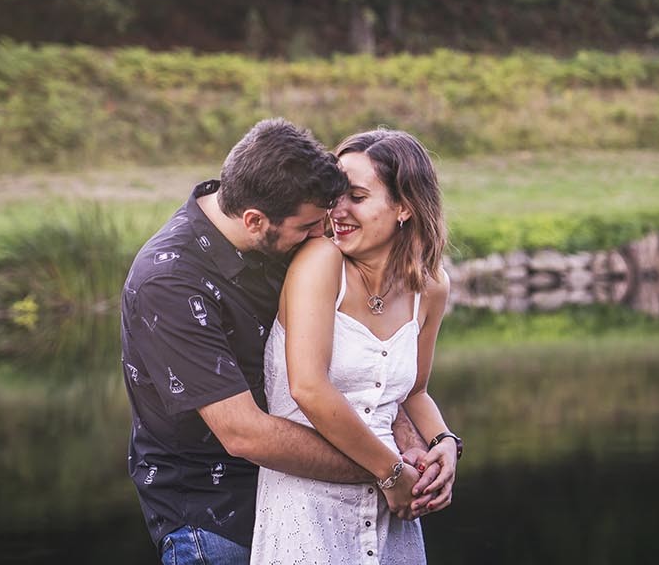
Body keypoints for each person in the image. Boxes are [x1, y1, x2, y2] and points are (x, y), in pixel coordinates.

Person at [120, 119, 448, 565]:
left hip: (329, 504)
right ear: (255, 221)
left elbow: (378, 375)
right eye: (313, 224)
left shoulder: (286, 223)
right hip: (214, 518)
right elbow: (244, 432)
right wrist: (388, 472)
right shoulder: (169, 282)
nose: (324, 233)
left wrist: (423, 443)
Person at [252, 128, 461, 565]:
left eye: (358, 197)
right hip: (308, 515)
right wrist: (392, 472)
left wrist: (443, 442)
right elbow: (307, 388)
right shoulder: (320, 261)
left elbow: (415, 392)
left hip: (394, 519)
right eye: (336, 195)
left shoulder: (431, 287)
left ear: (404, 207)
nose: (338, 211)